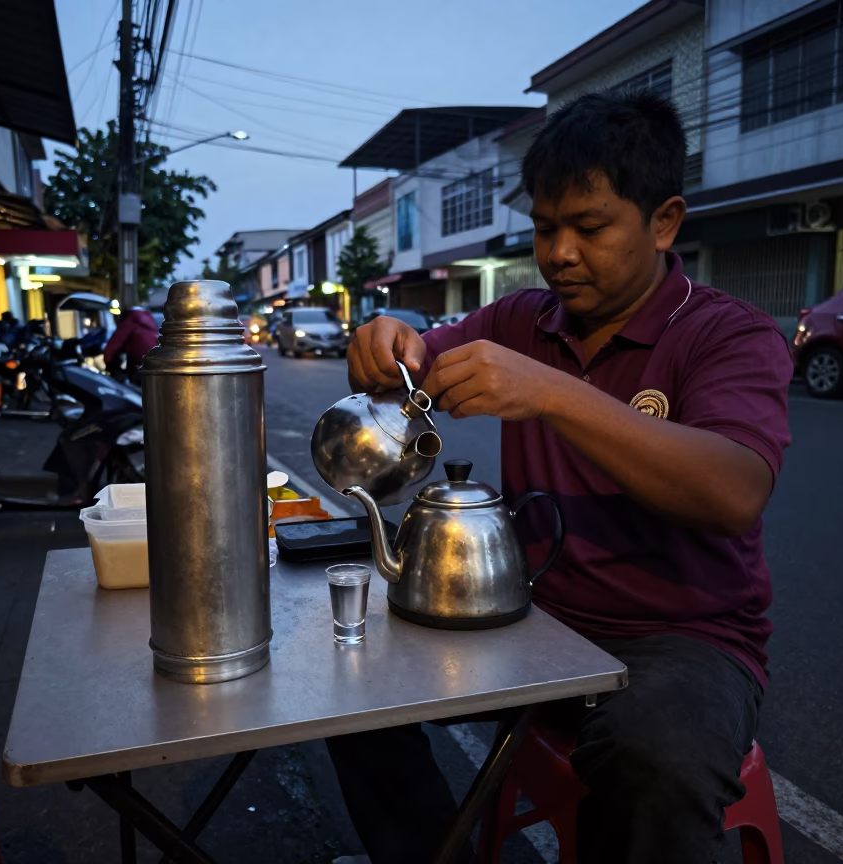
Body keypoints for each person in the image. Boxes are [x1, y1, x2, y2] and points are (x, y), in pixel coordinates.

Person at [332, 90, 793, 864]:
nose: (560, 254)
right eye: (546, 229)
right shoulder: (522, 320)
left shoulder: (727, 334)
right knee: (346, 682)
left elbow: (734, 491)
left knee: (657, 753)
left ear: (664, 221)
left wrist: (551, 394)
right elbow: (412, 360)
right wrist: (383, 341)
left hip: (682, 641)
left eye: (589, 227)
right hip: (531, 618)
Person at [103, 305, 159, 384]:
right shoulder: (150, 321)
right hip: (156, 366)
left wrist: (108, 361)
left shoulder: (130, 320)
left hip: (140, 367)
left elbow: (112, 347)